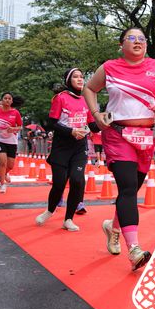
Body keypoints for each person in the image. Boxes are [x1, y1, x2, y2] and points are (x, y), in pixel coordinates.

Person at [84, 27, 155, 271]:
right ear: (121, 44)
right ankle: (134, 249)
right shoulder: (109, 67)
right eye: (131, 38)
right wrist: (96, 114)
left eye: (141, 38)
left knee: (132, 190)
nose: (137, 42)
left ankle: (113, 228)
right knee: (127, 188)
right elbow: (89, 88)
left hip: (146, 137)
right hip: (118, 134)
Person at [35, 68, 97, 231]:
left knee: (77, 180)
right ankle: (49, 210)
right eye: (76, 77)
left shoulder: (85, 100)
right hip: (61, 147)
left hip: (79, 147)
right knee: (59, 183)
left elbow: (92, 125)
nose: (80, 79)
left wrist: (106, 121)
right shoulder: (60, 98)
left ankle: (68, 219)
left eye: (82, 77)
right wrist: (71, 131)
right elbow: (52, 123)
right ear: (68, 80)